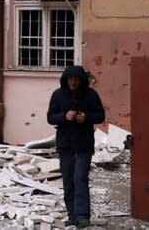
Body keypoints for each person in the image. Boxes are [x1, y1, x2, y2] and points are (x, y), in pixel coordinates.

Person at [47, 65, 105, 228]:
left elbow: (100, 116)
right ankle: (72, 215)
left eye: (76, 79)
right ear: (65, 80)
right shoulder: (57, 95)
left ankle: (83, 216)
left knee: (80, 177)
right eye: (70, 79)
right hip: (65, 144)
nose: (73, 82)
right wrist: (64, 117)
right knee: (68, 180)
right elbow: (50, 117)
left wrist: (86, 118)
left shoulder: (91, 95)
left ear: (82, 80)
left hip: (84, 144)